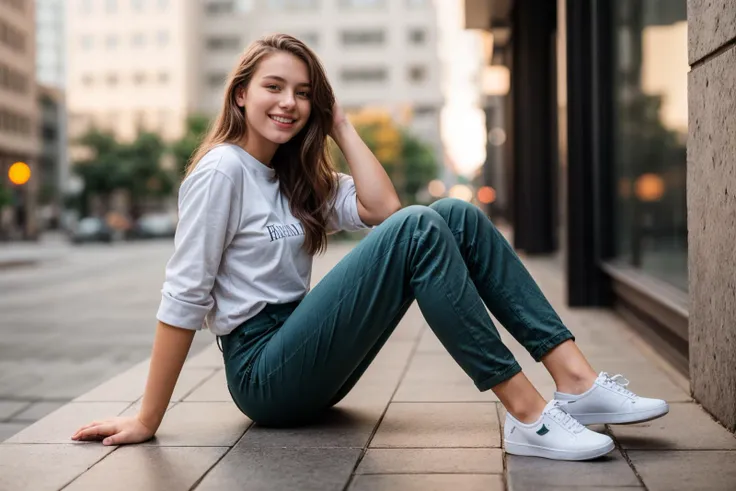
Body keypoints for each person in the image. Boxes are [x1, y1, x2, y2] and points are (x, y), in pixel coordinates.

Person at [71, 34, 668, 461]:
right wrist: (148, 418)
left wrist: (342, 128)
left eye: (303, 93)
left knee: (453, 213)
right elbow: (184, 293)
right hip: (263, 371)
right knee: (418, 227)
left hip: (309, 356)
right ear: (239, 97)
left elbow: (381, 207)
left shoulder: (293, 175)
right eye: (272, 87)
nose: (288, 102)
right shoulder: (221, 171)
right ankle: (527, 415)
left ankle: (577, 383)